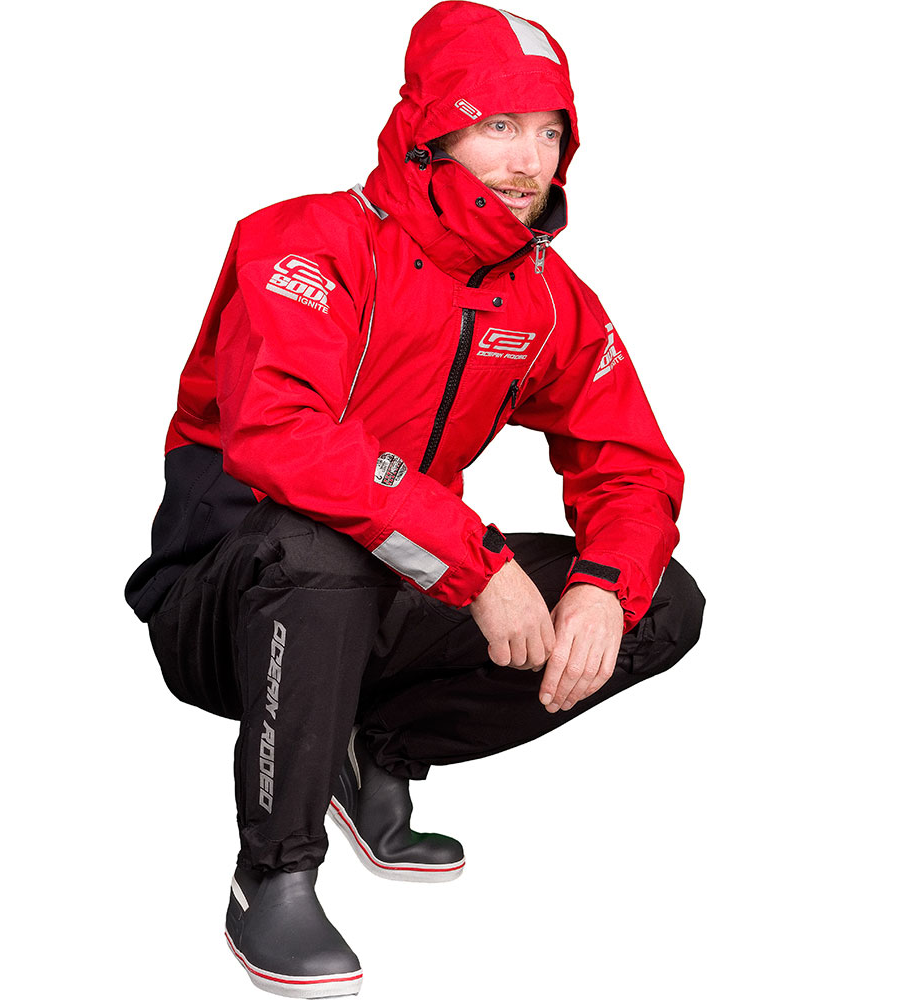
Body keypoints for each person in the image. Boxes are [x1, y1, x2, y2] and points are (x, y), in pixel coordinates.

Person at [125, 3, 705, 995]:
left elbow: (632, 467)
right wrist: (478, 565)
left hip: (392, 586)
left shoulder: (548, 297)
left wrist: (602, 587)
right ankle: (274, 874)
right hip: (227, 601)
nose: (529, 161)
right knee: (319, 547)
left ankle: (375, 750)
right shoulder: (301, 240)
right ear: (430, 131)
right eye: (499, 126)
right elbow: (283, 434)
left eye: (550, 131)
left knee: (661, 602)